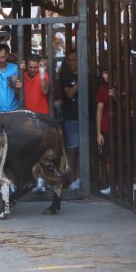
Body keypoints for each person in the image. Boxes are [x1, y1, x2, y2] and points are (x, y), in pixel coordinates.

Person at [59, 49, 80, 189]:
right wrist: (80, 80)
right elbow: (70, 94)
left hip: (86, 116)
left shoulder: (89, 74)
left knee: (85, 148)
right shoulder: (65, 76)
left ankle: (82, 178)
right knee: (72, 149)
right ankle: (72, 179)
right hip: (71, 117)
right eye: (70, 60)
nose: (72, 63)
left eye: (75, 60)